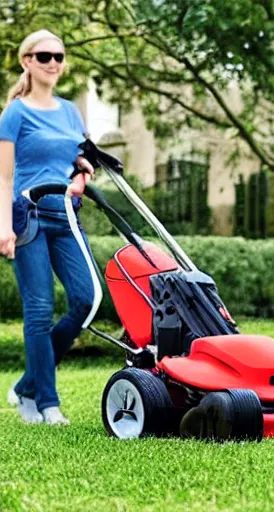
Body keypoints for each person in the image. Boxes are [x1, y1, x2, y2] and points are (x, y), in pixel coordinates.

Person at [0, 29, 97, 425]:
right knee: (38, 311)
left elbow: (81, 162)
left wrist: (81, 178)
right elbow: (3, 178)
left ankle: (27, 384)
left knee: (87, 299)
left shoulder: (72, 112)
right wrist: (4, 227)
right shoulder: (15, 113)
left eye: (58, 55)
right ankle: (46, 403)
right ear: (27, 61)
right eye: (44, 56)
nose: (53, 62)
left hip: (67, 215)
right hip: (29, 217)